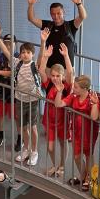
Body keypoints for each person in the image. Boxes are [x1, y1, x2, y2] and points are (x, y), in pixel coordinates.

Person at [26, 0, 87, 69]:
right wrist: (30, 5)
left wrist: (79, 4)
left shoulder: (70, 25)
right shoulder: (48, 25)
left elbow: (83, 16)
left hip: (66, 70)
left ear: (64, 13)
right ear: (50, 14)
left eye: (59, 13)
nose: (56, 16)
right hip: (49, 68)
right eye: (53, 14)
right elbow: (31, 18)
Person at [59, 74, 100, 190]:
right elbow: (59, 104)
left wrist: (95, 104)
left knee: (88, 156)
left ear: (84, 89)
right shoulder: (73, 97)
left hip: (89, 132)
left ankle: (89, 180)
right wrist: (59, 92)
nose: (73, 89)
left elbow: (93, 117)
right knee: (77, 156)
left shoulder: (92, 98)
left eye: (76, 87)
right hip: (77, 132)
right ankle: (83, 176)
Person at [40, 40, 74, 180]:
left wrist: (66, 56)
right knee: (50, 147)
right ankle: (55, 164)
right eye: (53, 75)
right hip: (50, 120)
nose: (55, 78)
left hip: (63, 120)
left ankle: (61, 166)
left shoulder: (66, 86)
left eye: (58, 76)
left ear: (62, 76)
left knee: (63, 143)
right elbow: (41, 70)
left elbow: (70, 72)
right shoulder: (48, 84)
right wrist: (46, 56)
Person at [13, 41, 43, 167]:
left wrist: (43, 41)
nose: (25, 55)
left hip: (32, 101)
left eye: (28, 52)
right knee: (23, 126)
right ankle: (26, 149)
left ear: (32, 55)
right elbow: (7, 52)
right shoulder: (17, 64)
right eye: (23, 52)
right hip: (20, 99)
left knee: (33, 127)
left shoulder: (34, 65)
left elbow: (41, 58)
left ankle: (34, 151)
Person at [0, 24, 16, 148]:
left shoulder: (18, 57)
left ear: (15, 44)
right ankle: (1, 135)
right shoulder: (0, 57)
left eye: (11, 43)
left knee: (17, 116)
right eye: (6, 43)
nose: (8, 46)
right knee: (0, 114)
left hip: (14, 91)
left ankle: (20, 138)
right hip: (2, 89)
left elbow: (12, 72)